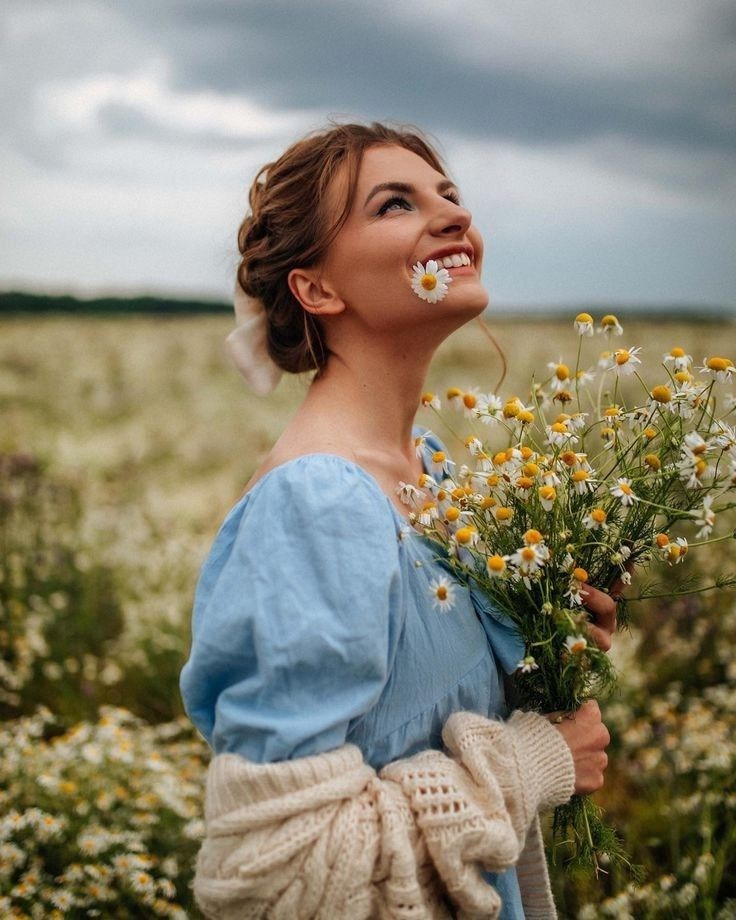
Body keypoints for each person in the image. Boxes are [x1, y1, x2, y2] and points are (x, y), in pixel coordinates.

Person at [180, 121, 618, 919]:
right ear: (316, 289)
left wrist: (546, 648)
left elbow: (416, 724)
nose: (454, 217)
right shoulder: (319, 505)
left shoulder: (430, 468)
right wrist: (531, 763)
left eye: (450, 196)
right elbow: (273, 876)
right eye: (395, 205)